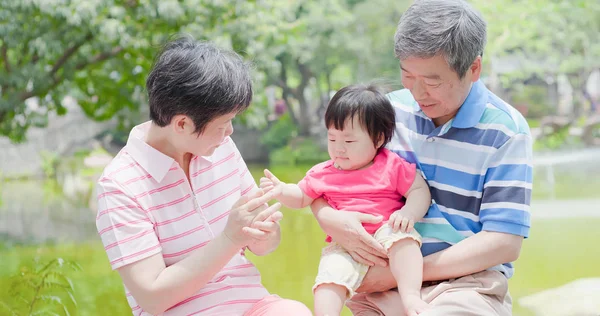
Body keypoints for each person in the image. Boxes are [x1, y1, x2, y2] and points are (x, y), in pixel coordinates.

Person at [311, 1, 533, 315]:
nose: (417, 92)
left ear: (473, 68)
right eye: (407, 75)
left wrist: (406, 274)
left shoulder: (505, 131)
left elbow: (504, 241)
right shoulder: (388, 112)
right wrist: (328, 217)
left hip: (467, 283)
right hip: (379, 282)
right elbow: (332, 178)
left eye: (431, 81)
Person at [95, 37, 311, 316]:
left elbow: (263, 243)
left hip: (252, 305)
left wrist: (264, 236)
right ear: (182, 124)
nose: (230, 132)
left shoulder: (220, 147)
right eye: (222, 124)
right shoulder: (120, 186)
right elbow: (153, 298)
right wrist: (230, 239)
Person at [260, 84, 432, 316]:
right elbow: (301, 197)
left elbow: (419, 190)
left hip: (387, 229)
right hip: (344, 245)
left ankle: (411, 297)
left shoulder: (390, 164)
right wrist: (280, 189)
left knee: (406, 243)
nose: (339, 149)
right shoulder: (322, 173)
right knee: (329, 278)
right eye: (332, 139)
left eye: (349, 142)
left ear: (378, 138)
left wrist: (409, 213)